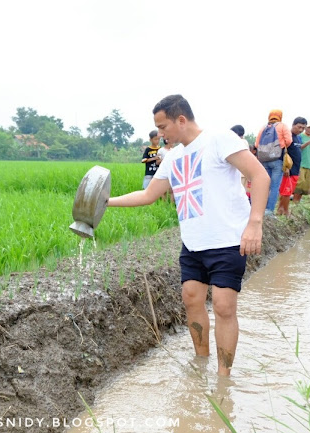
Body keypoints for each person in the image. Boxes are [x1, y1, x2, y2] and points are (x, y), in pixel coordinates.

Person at [107, 94, 270, 376]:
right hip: (194, 243)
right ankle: (201, 362)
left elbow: (260, 176)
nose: (160, 134)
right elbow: (148, 195)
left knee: (223, 306)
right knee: (191, 299)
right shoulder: (172, 157)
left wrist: (255, 223)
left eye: (163, 127)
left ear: (181, 120)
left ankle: (223, 377)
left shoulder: (220, 139)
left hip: (228, 241)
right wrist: (106, 201)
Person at [255, 110, 292, 215]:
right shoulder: (282, 126)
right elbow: (289, 140)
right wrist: (279, 147)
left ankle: (261, 209)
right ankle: (269, 211)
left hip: (264, 160)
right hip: (277, 160)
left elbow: (257, 144)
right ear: (280, 116)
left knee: (265, 185)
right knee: (275, 186)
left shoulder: (263, 127)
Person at [276, 117, 306, 216]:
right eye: (299, 127)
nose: (301, 130)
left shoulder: (298, 137)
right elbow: (283, 152)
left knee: (288, 191)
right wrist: (287, 167)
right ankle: (285, 211)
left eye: (303, 128)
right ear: (293, 125)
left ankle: (281, 210)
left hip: (296, 169)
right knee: (287, 192)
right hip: (289, 169)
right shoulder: (288, 136)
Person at [293, 124, 310, 203]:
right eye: (309, 127)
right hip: (301, 163)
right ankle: (295, 201)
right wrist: (309, 142)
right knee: (299, 184)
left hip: (309, 164)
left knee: (305, 186)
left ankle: (298, 202)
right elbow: (299, 148)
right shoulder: (300, 136)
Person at [231, 125, 252, 200]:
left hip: (240, 172)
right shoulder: (244, 142)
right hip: (243, 172)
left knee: (239, 191)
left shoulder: (241, 142)